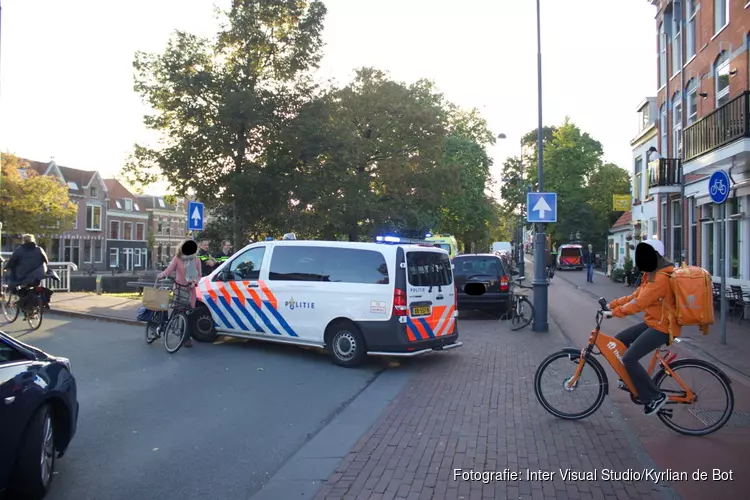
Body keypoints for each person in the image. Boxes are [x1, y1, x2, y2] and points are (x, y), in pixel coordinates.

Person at [604, 239, 676, 416]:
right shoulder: (650, 275)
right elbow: (634, 296)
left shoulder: (661, 278)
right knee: (619, 340)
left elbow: (639, 303)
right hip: (653, 322)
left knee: (629, 359)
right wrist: (611, 305)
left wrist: (615, 313)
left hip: (662, 327)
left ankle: (654, 396)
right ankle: (631, 380)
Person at [158, 239, 202, 348]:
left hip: (190, 290)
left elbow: (199, 275)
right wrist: (162, 275)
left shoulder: (196, 260)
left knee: (188, 313)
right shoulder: (177, 259)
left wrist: (194, 282)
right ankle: (171, 326)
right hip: (179, 288)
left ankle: (185, 337)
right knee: (179, 310)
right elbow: (169, 269)